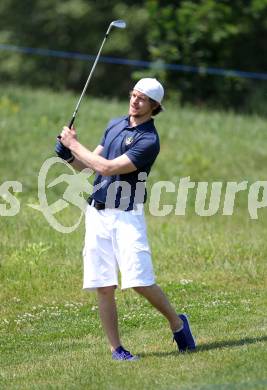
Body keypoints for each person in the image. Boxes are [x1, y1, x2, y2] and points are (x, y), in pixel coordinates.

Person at [55, 78, 196, 360]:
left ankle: (177, 322)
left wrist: (74, 143)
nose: (135, 101)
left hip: (126, 216)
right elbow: (88, 166)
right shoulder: (114, 124)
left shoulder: (148, 140)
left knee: (139, 280)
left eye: (142, 98)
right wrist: (68, 156)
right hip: (97, 212)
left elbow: (106, 168)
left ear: (154, 106)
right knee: (103, 285)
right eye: (133, 94)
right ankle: (117, 349)